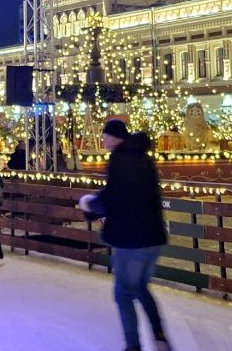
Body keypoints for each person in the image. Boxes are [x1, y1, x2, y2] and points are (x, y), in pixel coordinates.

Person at [79, 119, 170, 351]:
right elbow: (125, 193)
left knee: (123, 294)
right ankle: (159, 335)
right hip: (152, 237)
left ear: (117, 137)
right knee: (139, 287)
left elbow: (115, 197)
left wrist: (90, 207)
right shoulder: (142, 158)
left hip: (132, 239)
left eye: (106, 136)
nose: (103, 140)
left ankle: (133, 345)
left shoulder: (121, 160)